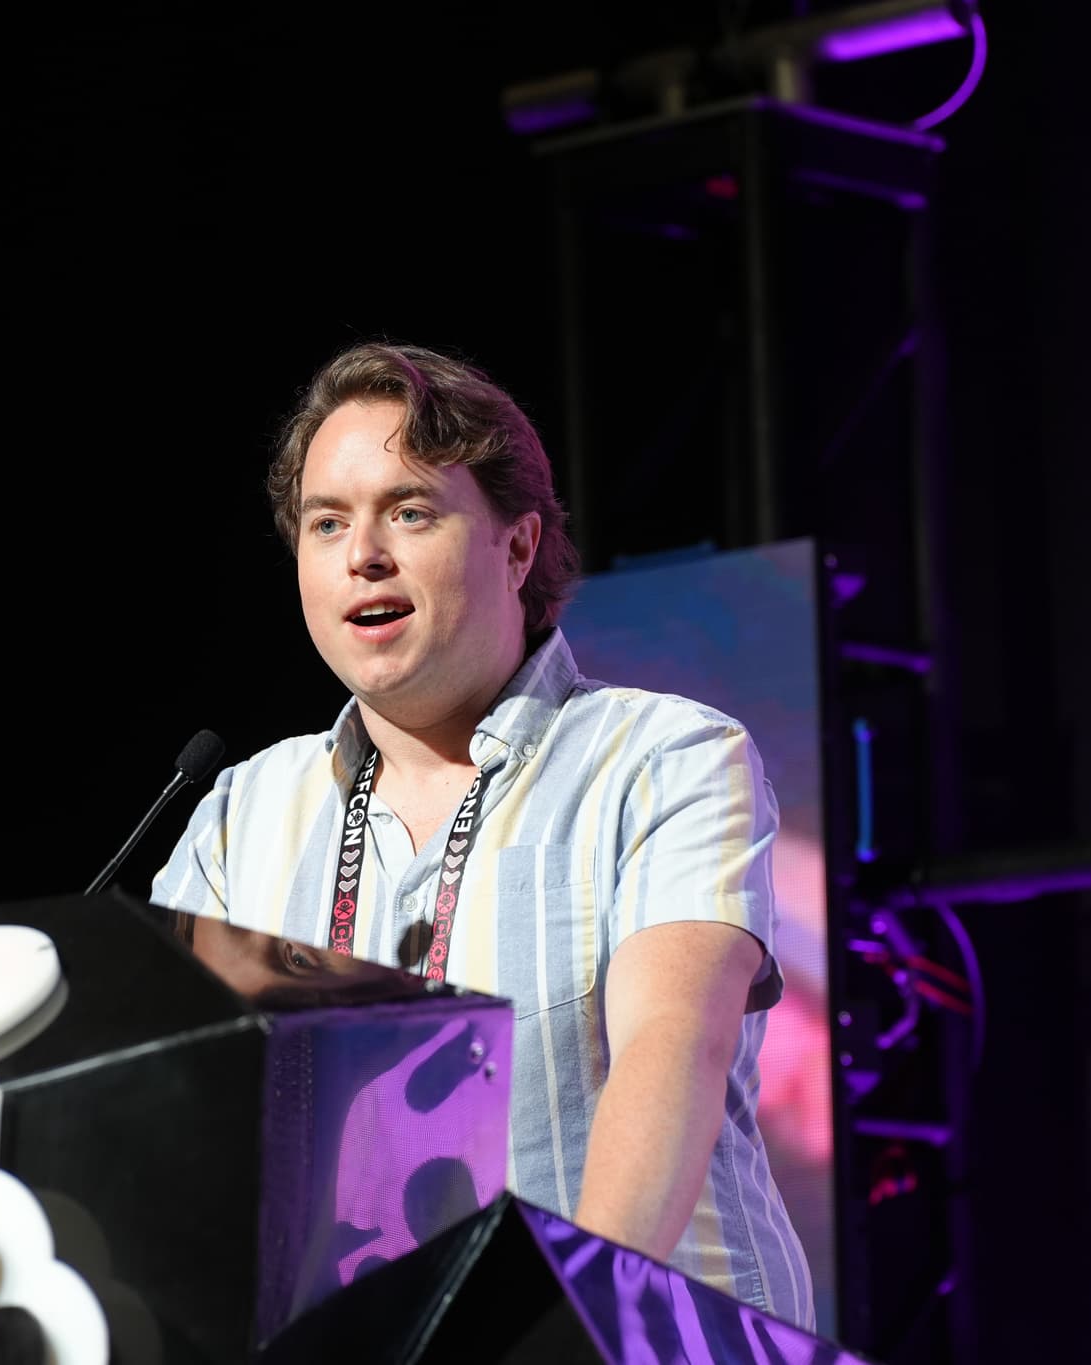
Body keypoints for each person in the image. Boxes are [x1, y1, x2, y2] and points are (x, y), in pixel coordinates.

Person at [152, 341, 813, 1324]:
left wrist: (565, 1328)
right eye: (325, 522)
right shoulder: (237, 815)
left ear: (516, 547)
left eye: (408, 511)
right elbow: (182, 1130)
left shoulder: (663, 756)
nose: (360, 553)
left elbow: (668, 1051)